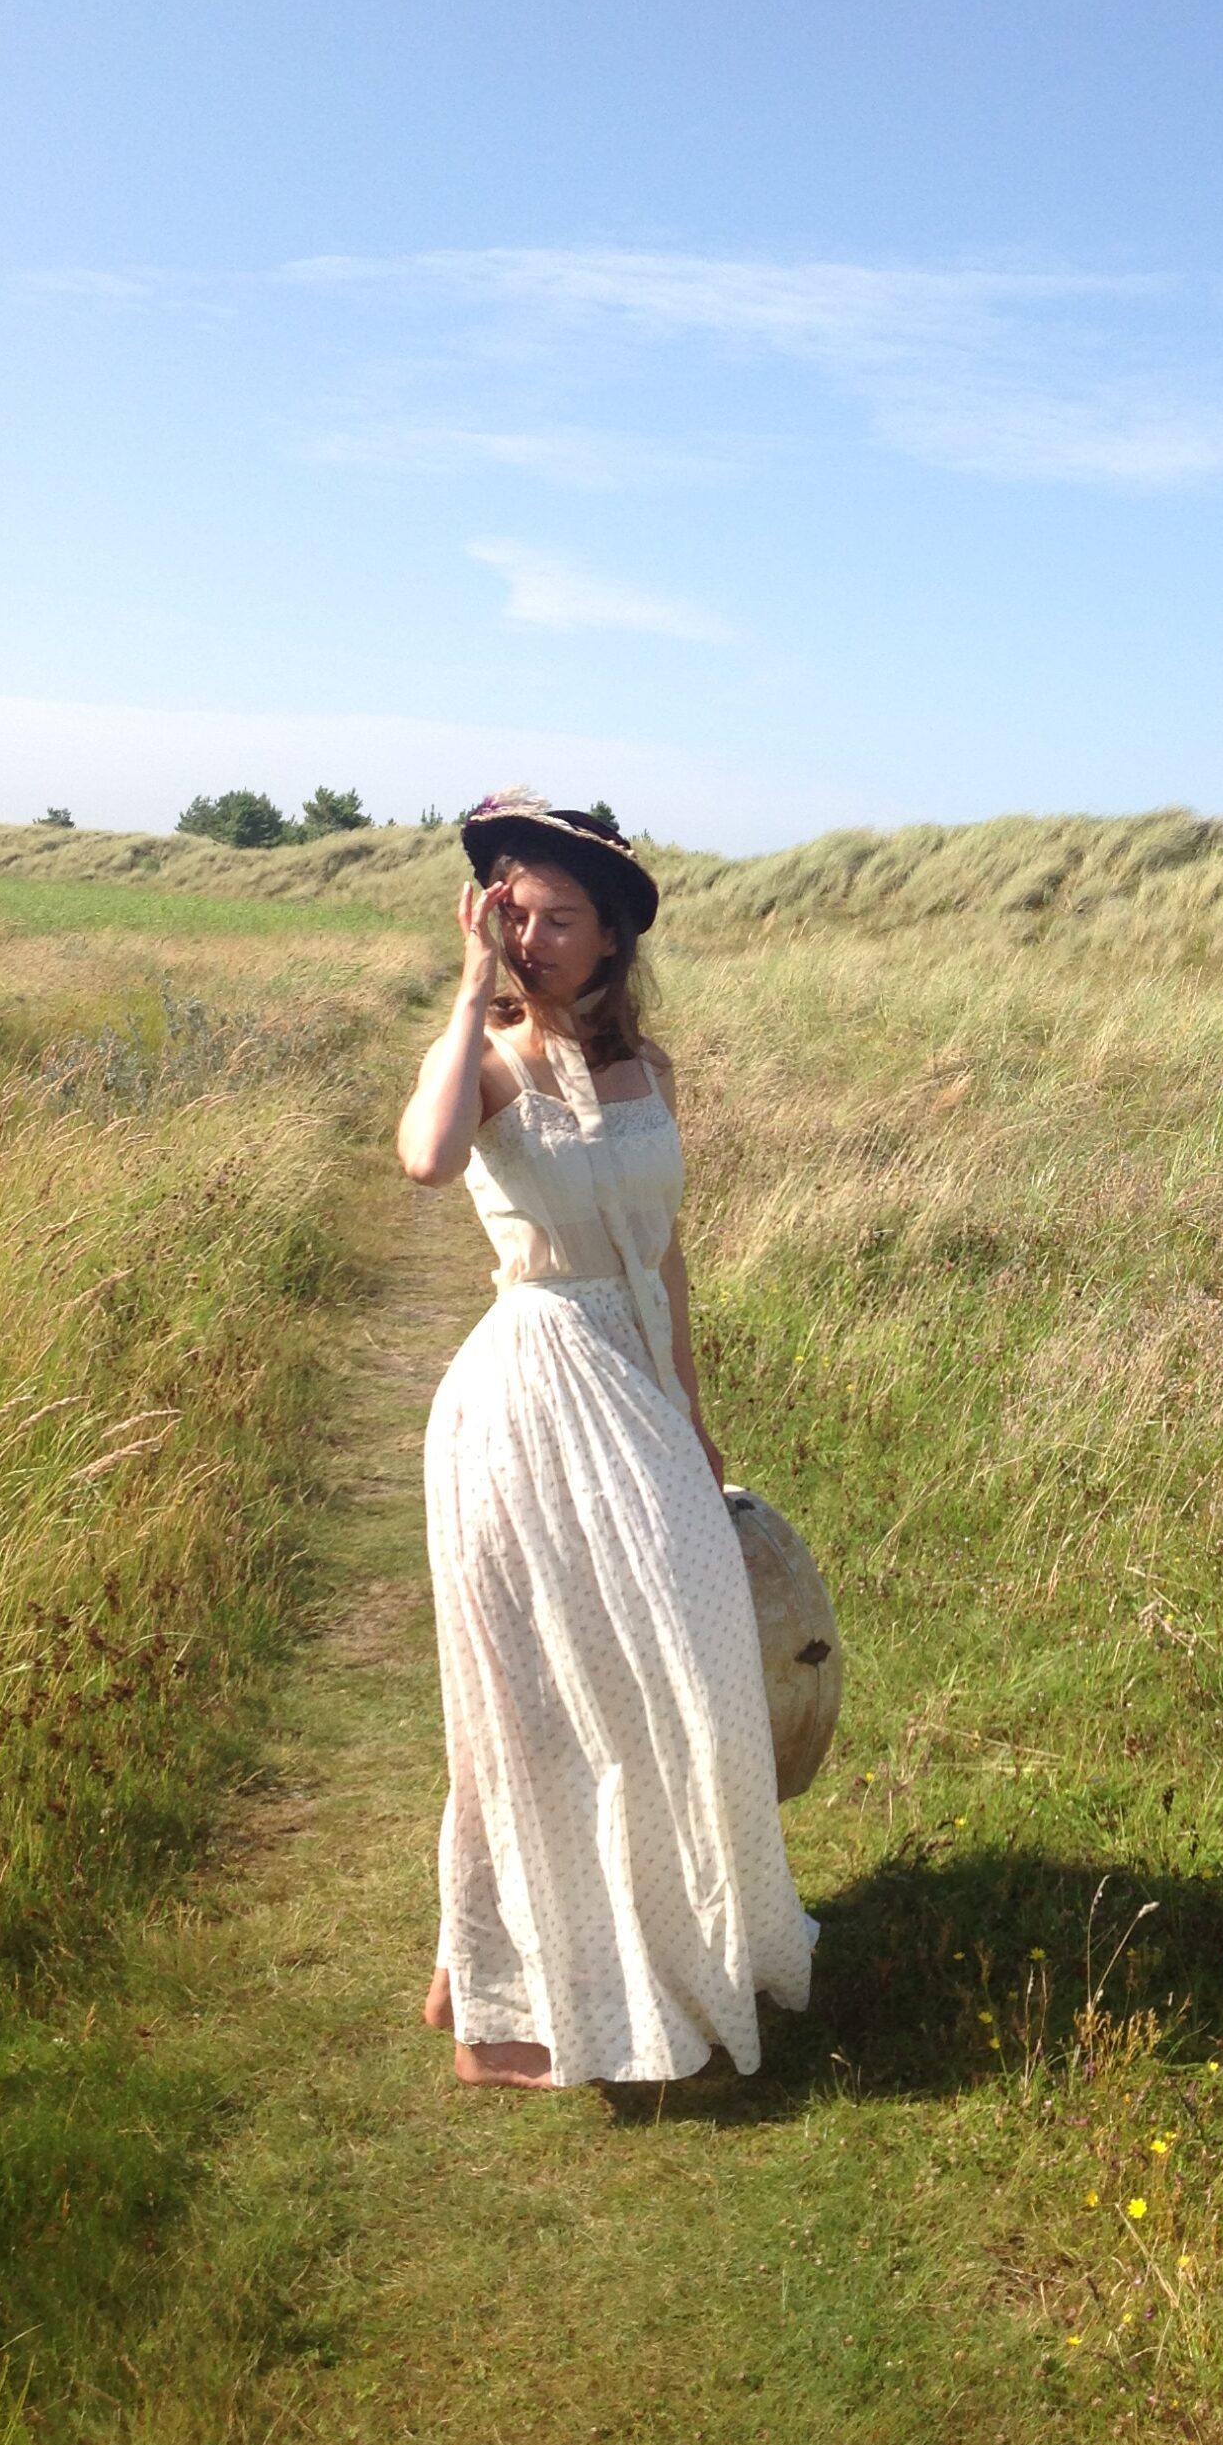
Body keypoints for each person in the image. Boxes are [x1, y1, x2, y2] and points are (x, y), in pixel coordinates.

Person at [395, 789, 815, 2089]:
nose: (531, 934)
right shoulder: (489, 1061)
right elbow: (423, 1160)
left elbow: (668, 1257)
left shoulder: (647, 1072)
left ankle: (674, 1949)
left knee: (687, 1674)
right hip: (527, 1393)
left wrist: (692, 1412)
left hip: (635, 1393)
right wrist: (469, 1001)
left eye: (559, 917)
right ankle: (520, 1993)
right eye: (513, 910)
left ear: (613, 940)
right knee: (534, 1706)